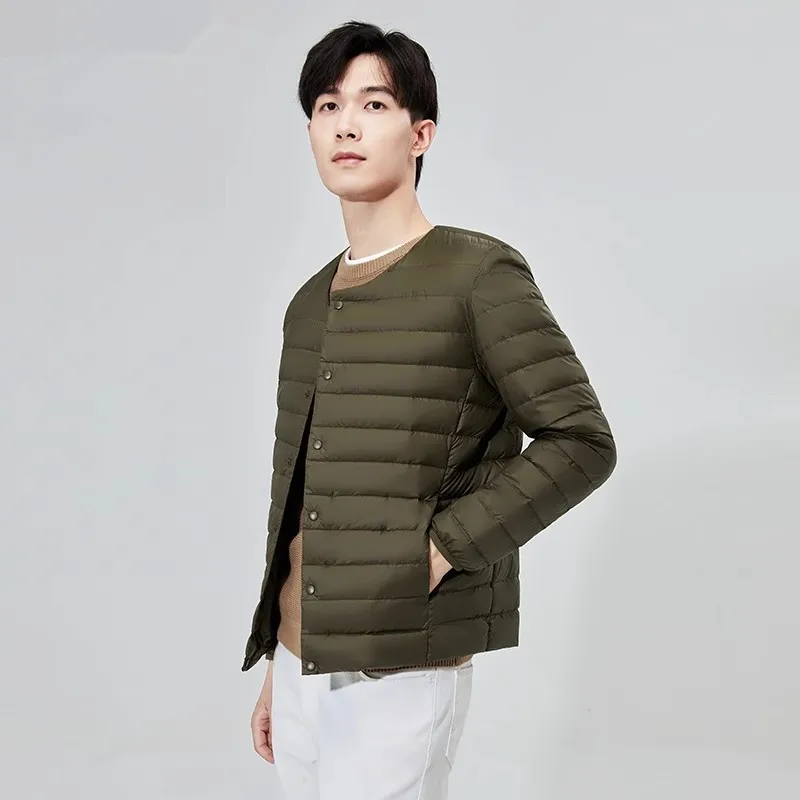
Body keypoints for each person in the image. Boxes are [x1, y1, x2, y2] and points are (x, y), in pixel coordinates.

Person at [244, 20, 617, 800]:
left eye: (373, 104)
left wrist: (442, 551)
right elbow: (304, 497)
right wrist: (281, 659)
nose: (345, 124)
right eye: (326, 105)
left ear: (420, 135)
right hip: (302, 664)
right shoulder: (308, 304)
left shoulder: (477, 273)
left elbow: (581, 441)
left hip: (401, 670)